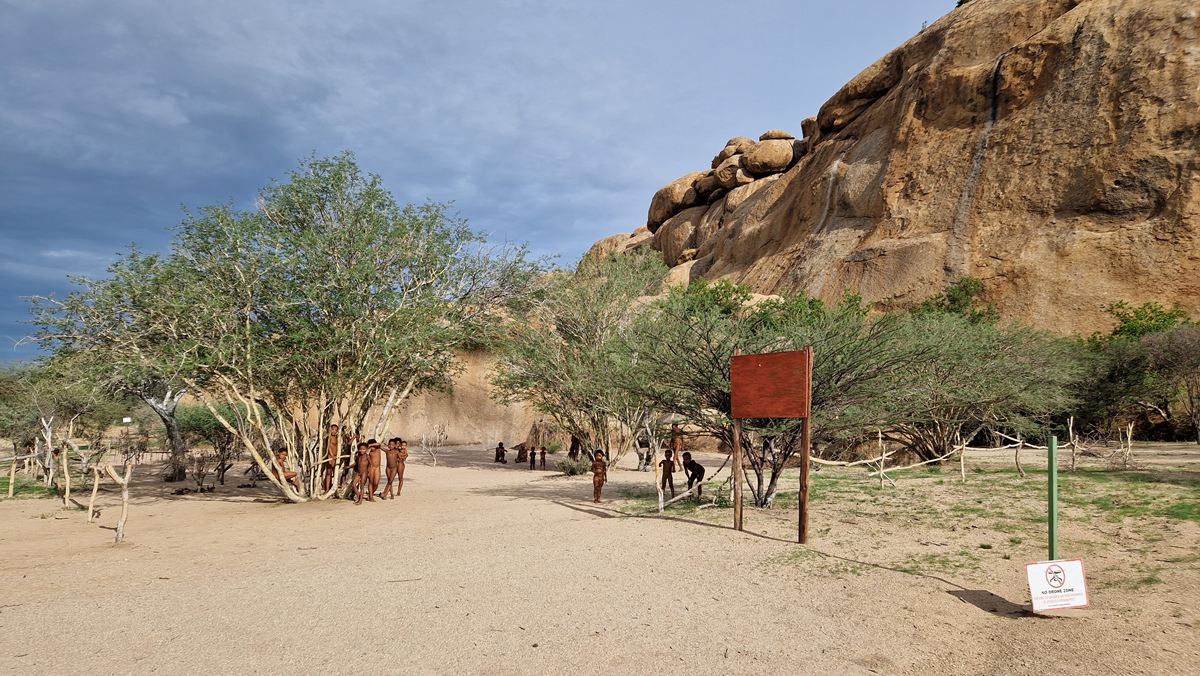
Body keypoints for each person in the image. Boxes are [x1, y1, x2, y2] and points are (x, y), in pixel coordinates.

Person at [322, 423, 340, 493]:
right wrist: (332, 456)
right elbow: (329, 447)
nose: (334, 431)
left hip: (336, 457)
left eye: (335, 430)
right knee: (329, 472)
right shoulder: (329, 438)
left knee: (334, 472)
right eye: (333, 429)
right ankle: (326, 489)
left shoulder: (337, 438)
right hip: (330, 456)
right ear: (330, 430)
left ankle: (331, 487)